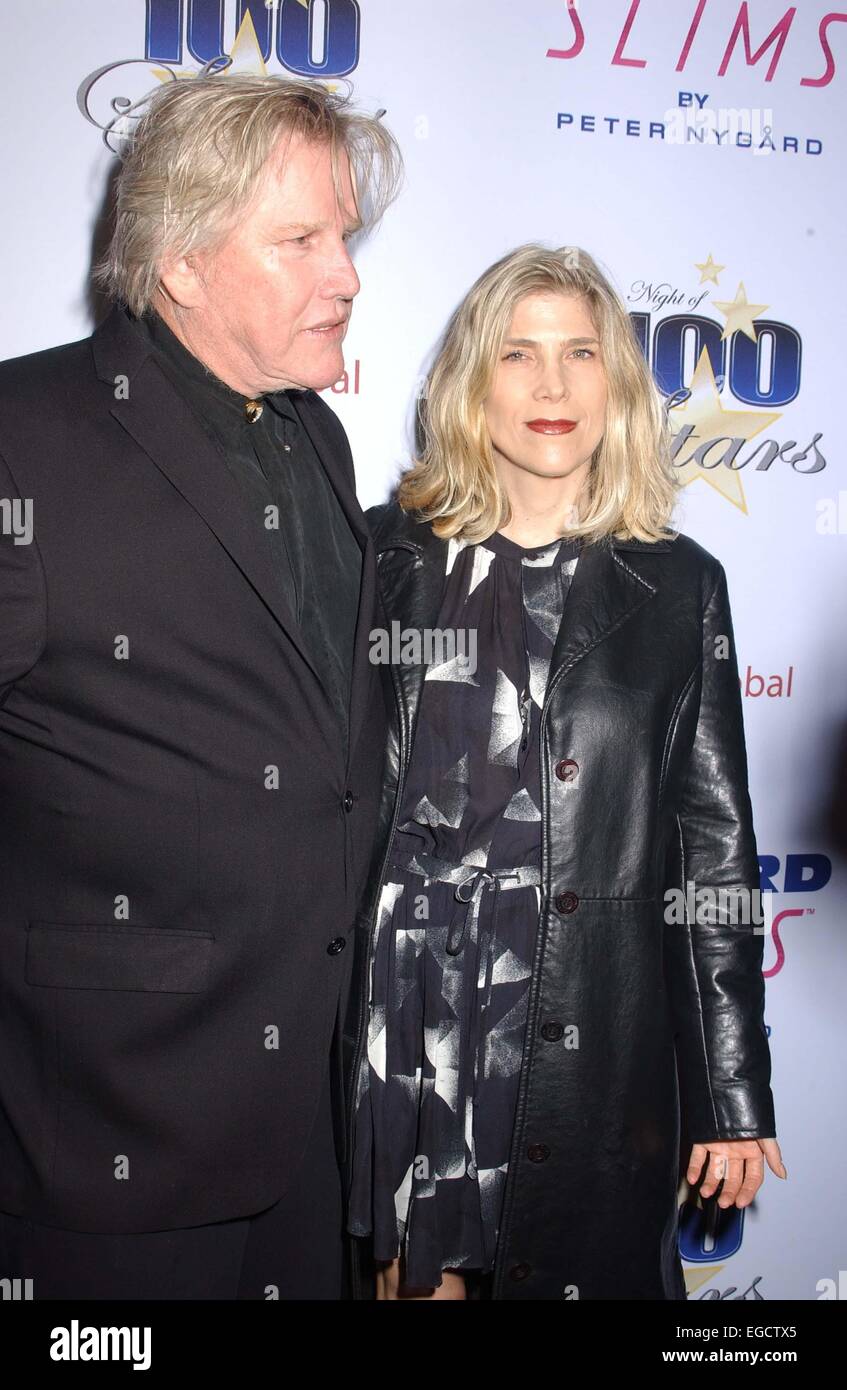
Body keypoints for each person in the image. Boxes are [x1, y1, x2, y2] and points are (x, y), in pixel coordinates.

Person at [0, 73, 401, 1299]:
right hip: (113, 1138)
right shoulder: (23, 432)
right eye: (300, 240)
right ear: (180, 265)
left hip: (320, 1130)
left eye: (346, 237)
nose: (345, 274)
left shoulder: (314, 435)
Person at [343, 243, 786, 1301]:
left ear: (618, 382)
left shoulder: (677, 587)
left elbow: (713, 848)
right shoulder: (380, 561)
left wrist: (732, 1089)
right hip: (403, 1024)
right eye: (518, 353)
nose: (551, 385)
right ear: (469, 381)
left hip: (584, 1033)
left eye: (580, 353)